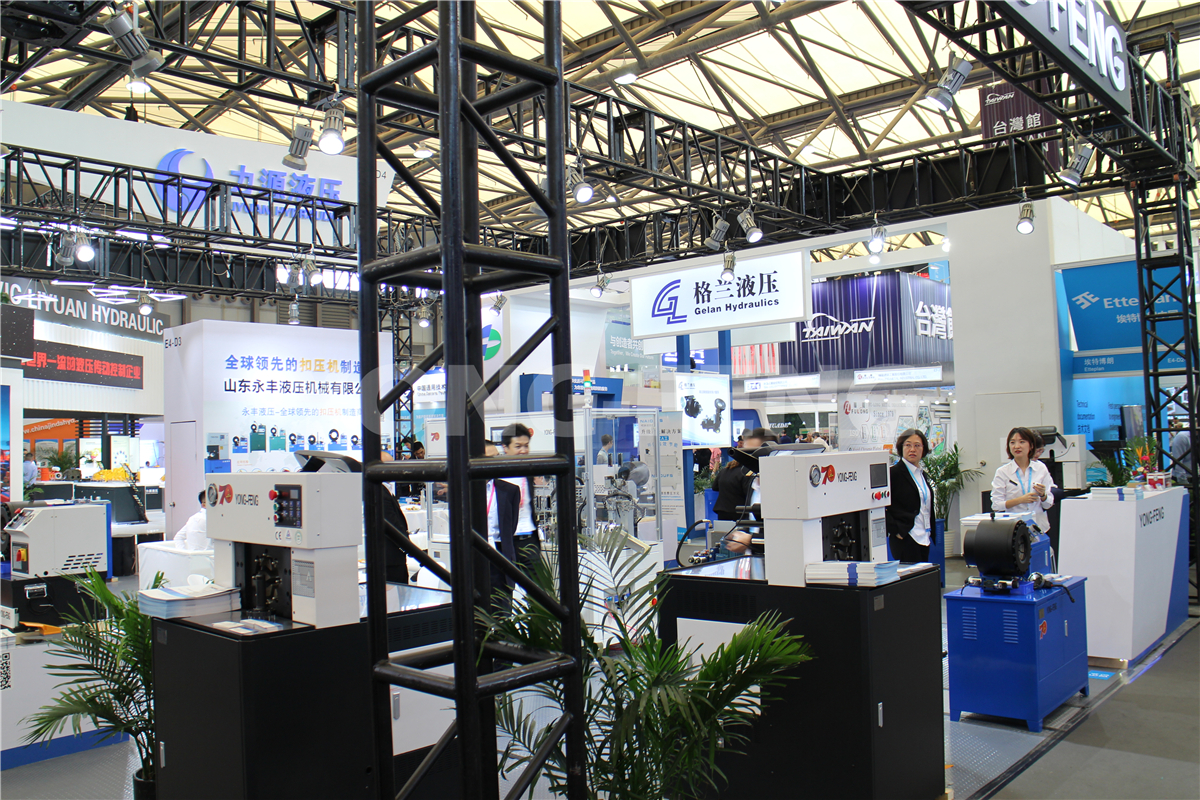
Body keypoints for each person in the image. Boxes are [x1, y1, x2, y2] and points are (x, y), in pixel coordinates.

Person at [991, 427, 1056, 533]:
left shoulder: (1041, 468)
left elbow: (1048, 504)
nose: (1017, 446)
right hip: (1014, 528)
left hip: (1039, 527)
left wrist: (1043, 495)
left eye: (1022, 442)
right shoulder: (1003, 472)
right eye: (1012, 442)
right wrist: (1020, 500)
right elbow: (996, 505)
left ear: (1031, 445)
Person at [886, 429, 935, 562]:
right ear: (901, 448)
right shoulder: (893, 474)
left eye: (917, 445)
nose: (912, 449)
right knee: (910, 575)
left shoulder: (921, 474)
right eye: (908, 445)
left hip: (924, 536)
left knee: (922, 573)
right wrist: (896, 530)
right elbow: (880, 506)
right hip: (906, 537)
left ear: (923, 449)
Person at [499, 423, 542, 573]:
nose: (523, 450)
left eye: (526, 446)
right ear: (505, 447)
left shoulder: (528, 470)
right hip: (505, 541)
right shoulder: (497, 473)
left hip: (529, 540)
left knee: (537, 584)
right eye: (518, 446)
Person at [712, 428, 774, 521]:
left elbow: (715, 487)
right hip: (738, 512)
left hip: (723, 510)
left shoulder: (725, 470)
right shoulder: (746, 475)